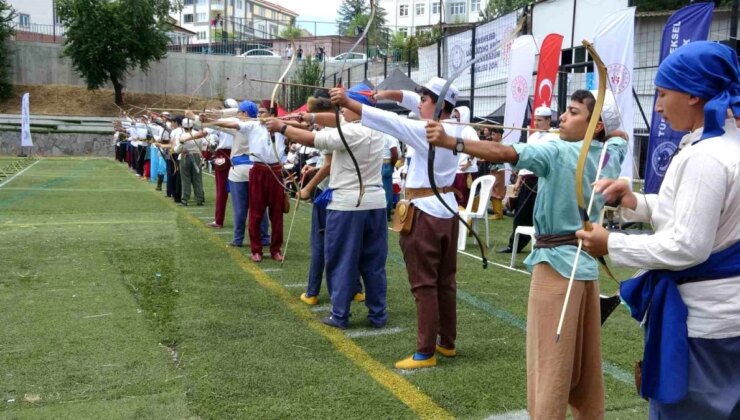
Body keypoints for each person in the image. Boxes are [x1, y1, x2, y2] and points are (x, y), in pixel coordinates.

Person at [426, 89, 628, 418]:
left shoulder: (557, 150)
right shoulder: (610, 154)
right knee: (587, 374)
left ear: (596, 125)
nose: (562, 117)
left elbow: (504, 151)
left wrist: (454, 143)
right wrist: (610, 124)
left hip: (556, 271)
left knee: (548, 370)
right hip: (586, 269)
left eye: (574, 112)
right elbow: (619, 136)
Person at [576, 41, 740, 419]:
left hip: (706, 327)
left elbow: (688, 246)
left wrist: (610, 243)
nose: (659, 105)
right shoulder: (723, 145)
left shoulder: (708, 156)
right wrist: (635, 202)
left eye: (665, 94)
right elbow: (697, 217)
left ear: (695, 95)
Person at [336, 77, 473, 369]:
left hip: (425, 214)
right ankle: (446, 343)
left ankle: (425, 352)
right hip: (447, 212)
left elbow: (388, 122)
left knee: (424, 285)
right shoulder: (454, 124)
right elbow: (411, 100)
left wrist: (350, 102)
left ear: (438, 105)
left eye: (425, 98)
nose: (419, 101)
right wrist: (386, 93)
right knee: (445, 283)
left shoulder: (426, 130)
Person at [265, 87, 388, 330]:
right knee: (373, 263)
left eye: (346, 105)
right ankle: (378, 315)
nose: (341, 110)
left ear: (356, 108)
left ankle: (340, 315)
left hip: (347, 207)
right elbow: (334, 119)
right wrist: (308, 118)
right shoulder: (378, 126)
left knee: (340, 259)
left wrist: (281, 127)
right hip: (376, 203)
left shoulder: (351, 132)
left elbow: (313, 139)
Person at [202, 102, 286, 262]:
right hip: (258, 170)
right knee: (256, 212)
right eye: (259, 112)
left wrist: (292, 120)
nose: (260, 115)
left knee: (277, 214)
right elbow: (232, 123)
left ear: (273, 114)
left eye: (264, 112)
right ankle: (256, 250)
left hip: (275, 172)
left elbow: (303, 126)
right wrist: (210, 121)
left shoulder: (282, 126)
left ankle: (275, 249)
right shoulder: (252, 126)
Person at [498, 105, 559, 253]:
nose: (537, 123)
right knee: (521, 213)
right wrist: (519, 180)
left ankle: (545, 244)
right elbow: (525, 160)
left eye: (540, 120)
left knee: (542, 214)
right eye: (535, 120)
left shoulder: (555, 137)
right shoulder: (532, 137)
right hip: (527, 179)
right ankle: (514, 245)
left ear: (548, 120)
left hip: (543, 178)